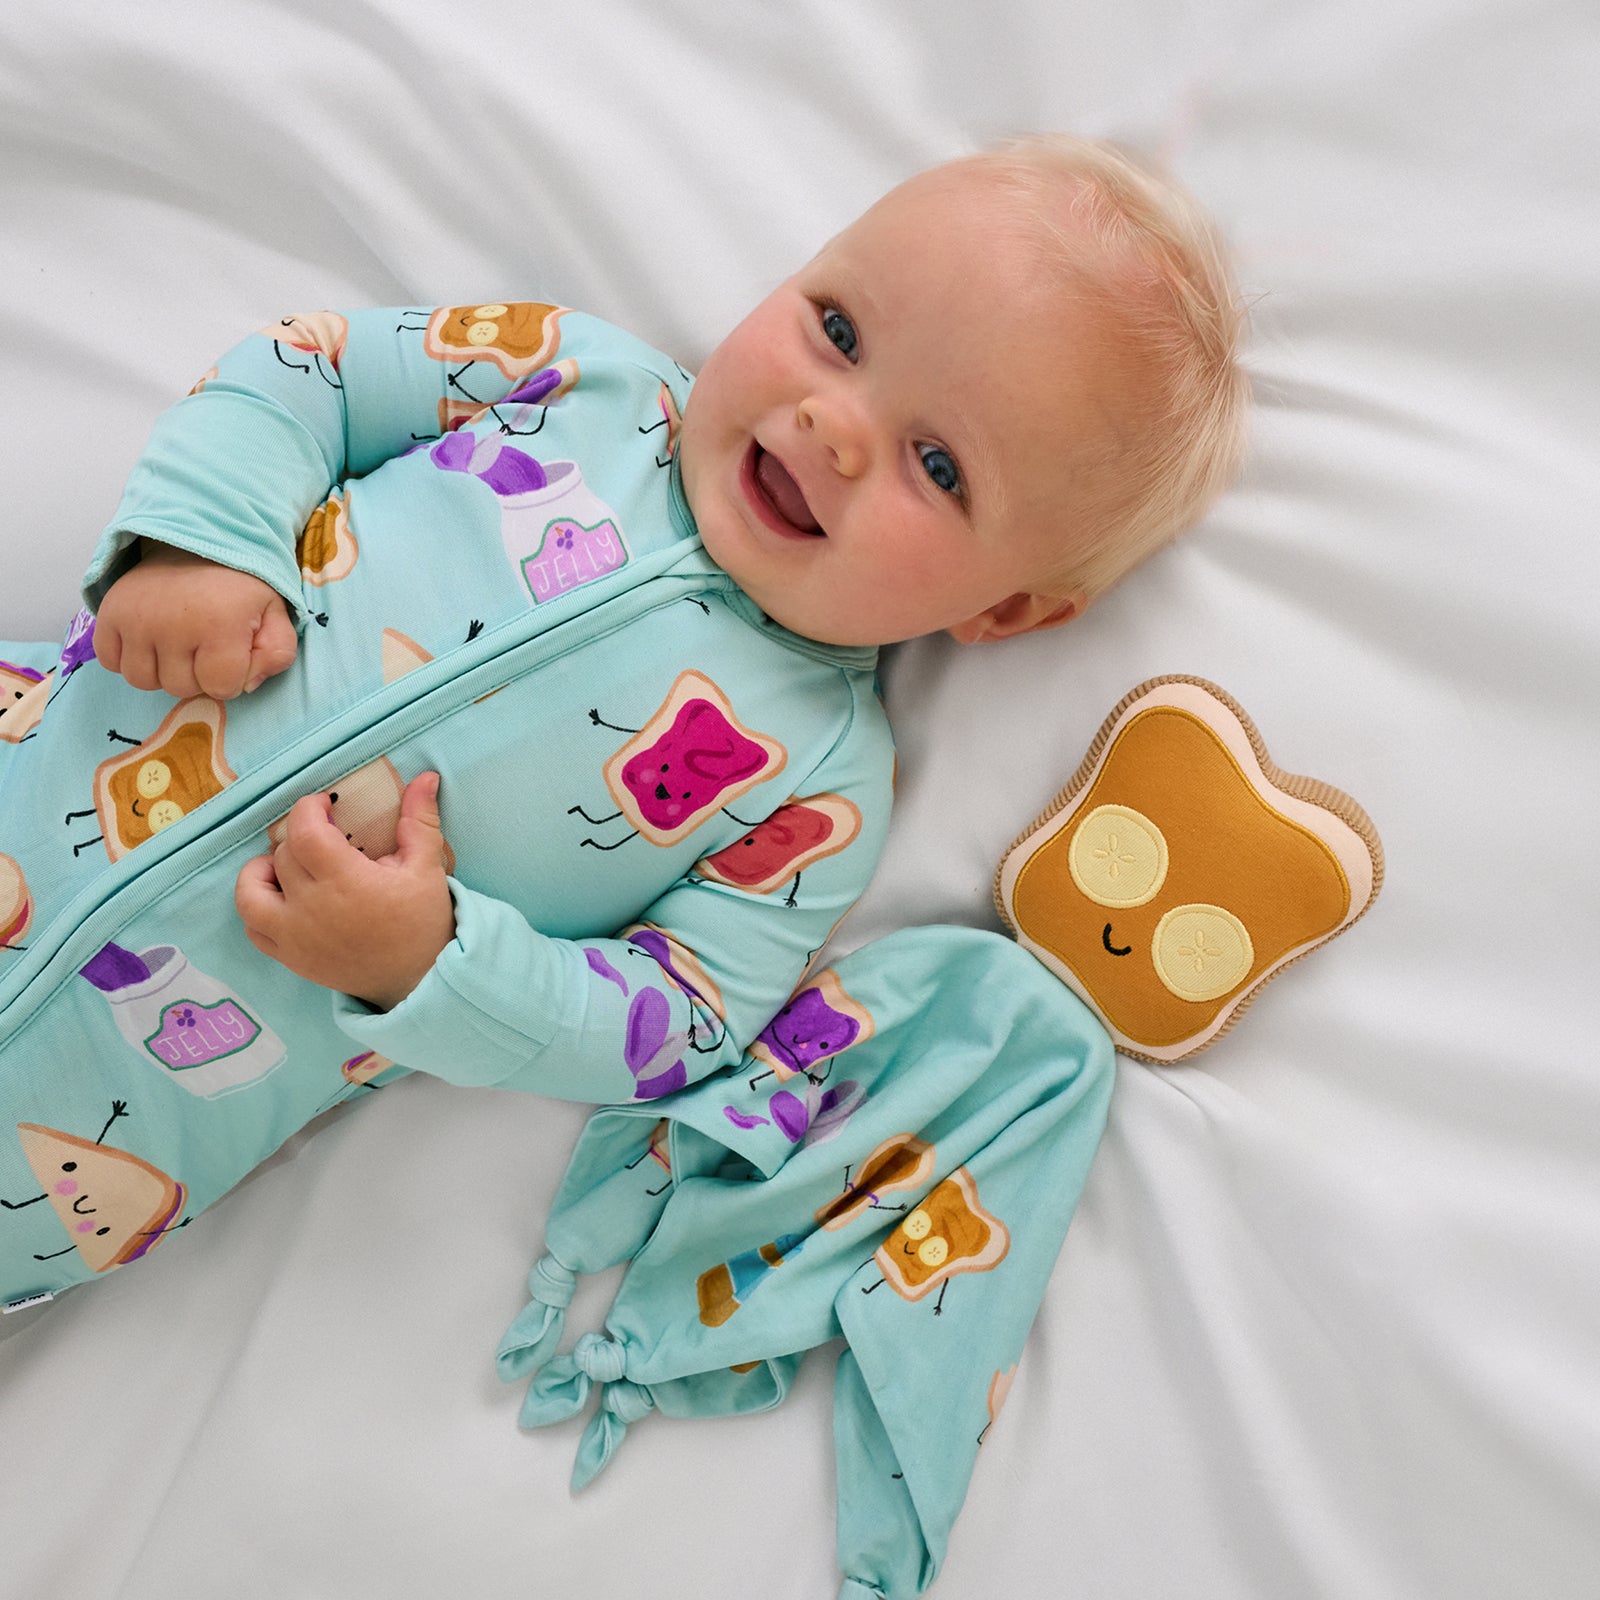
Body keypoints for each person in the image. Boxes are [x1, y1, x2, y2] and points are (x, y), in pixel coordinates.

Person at [0, 134, 1245, 1302]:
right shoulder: (574, 375)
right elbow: (309, 369)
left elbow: (677, 1022)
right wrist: (198, 547)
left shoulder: (816, 788)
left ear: (1008, 611)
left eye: (939, 466)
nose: (833, 426)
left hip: (85, 1143)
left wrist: (429, 961)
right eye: (838, 329)